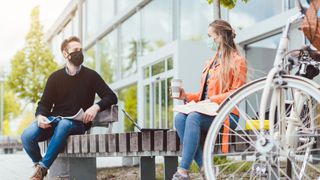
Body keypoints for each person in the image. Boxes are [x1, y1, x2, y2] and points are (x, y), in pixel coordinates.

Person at [21, 36, 118, 180]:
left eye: (81, 50)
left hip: (78, 123)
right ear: (65, 54)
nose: (79, 53)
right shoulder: (55, 77)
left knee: (64, 124)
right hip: (55, 121)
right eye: (75, 50)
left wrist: (95, 107)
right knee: (27, 135)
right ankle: (39, 167)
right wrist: (40, 116)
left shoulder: (91, 76)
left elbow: (111, 96)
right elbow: (44, 104)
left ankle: (43, 169)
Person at [171, 20, 247, 180]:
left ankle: (183, 171)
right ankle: (206, 168)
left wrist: (212, 100)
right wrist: (185, 96)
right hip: (206, 111)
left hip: (226, 114)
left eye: (209, 35)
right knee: (179, 118)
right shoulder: (211, 62)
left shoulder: (238, 61)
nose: (208, 39)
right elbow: (202, 95)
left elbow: (238, 93)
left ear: (219, 36)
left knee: (193, 118)